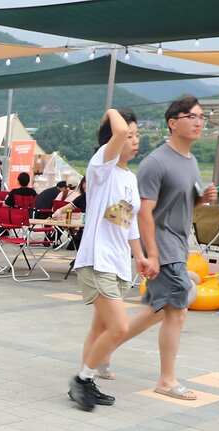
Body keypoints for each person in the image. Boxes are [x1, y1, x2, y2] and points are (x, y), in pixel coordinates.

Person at [122, 93, 218, 401]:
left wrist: (202, 199)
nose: (199, 122)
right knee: (177, 312)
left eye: (202, 117)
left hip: (178, 244)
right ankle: (166, 380)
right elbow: (144, 212)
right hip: (162, 246)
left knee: (158, 311)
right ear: (173, 123)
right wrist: (151, 253)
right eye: (193, 117)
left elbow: (181, 203)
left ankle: (102, 349)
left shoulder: (191, 161)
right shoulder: (156, 162)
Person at [68, 108, 148, 412]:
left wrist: (139, 256)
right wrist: (113, 111)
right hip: (96, 260)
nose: (134, 140)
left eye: (138, 134)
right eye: (129, 135)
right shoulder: (102, 165)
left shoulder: (129, 177)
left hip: (117, 263)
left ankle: (86, 383)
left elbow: (126, 220)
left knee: (100, 329)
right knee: (119, 326)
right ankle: (82, 378)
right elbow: (114, 132)